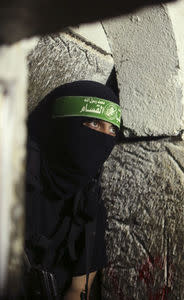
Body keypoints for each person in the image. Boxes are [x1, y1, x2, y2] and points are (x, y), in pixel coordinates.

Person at [24, 81, 121, 299]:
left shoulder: (88, 203)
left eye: (112, 129)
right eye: (95, 124)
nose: (105, 136)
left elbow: (79, 290)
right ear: (64, 123)